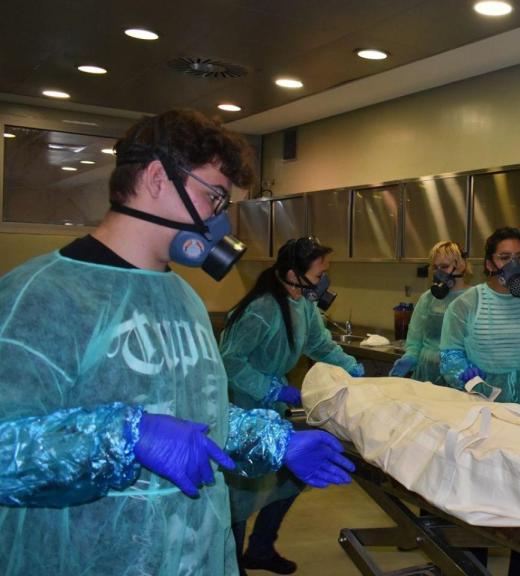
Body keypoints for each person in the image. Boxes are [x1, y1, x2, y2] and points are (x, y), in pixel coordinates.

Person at [0, 109, 354, 575]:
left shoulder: (182, 297)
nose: (218, 225)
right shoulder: (42, 295)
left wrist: (276, 442)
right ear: (154, 179)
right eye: (214, 198)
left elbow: (201, 418)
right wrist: (126, 434)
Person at [219, 235, 365, 574]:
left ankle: (261, 549)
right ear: (292, 273)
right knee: (239, 494)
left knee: (290, 480)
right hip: (242, 409)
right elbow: (229, 361)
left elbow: (322, 346)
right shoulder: (261, 309)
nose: (323, 281)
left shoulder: (303, 305)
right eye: (318, 274)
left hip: (273, 411)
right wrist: (274, 389)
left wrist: (354, 369)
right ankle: (232, 562)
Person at [439, 227, 520, 409]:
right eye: (504, 258)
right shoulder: (466, 304)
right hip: (479, 401)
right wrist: (463, 372)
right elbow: (450, 353)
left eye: (519, 257)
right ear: (489, 264)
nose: (514, 265)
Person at [389, 240, 472, 383]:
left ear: (461, 265)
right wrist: (410, 356)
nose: (439, 273)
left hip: (460, 376)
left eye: (444, 267)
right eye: (435, 267)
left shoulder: (473, 299)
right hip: (425, 374)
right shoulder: (428, 298)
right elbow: (415, 339)